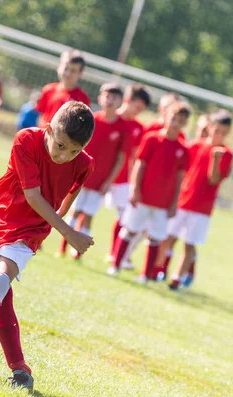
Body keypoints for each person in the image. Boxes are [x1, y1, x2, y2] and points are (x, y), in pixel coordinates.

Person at [0, 101, 95, 392]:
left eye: (74, 151)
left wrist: (49, 229)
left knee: (0, 279)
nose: (65, 156)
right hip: (1, 215)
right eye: (61, 145)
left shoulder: (85, 164)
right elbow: (33, 196)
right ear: (49, 129)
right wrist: (68, 233)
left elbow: (65, 201)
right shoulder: (26, 140)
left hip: (32, 229)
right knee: (2, 296)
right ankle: (19, 368)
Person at [109, 102, 191, 282]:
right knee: (130, 230)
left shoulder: (183, 149)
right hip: (143, 197)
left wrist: (174, 202)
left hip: (162, 203)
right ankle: (115, 265)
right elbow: (140, 164)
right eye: (173, 119)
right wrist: (135, 189)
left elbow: (179, 179)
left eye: (180, 121)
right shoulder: (152, 138)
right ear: (166, 117)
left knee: (155, 237)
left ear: (185, 124)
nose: (175, 123)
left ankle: (145, 275)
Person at [161, 110, 233, 290]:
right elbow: (181, 173)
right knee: (169, 238)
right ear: (210, 128)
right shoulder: (194, 146)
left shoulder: (227, 154)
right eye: (217, 131)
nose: (220, 136)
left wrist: (216, 159)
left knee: (190, 244)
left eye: (224, 133)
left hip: (202, 208)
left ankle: (177, 279)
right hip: (182, 200)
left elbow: (214, 179)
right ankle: (161, 270)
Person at [58, 83, 128, 259]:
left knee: (88, 214)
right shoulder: (91, 120)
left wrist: (109, 181)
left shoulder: (122, 127)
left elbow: (121, 158)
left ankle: (78, 253)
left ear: (121, 102)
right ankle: (62, 248)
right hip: (82, 176)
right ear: (100, 98)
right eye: (107, 96)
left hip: (101, 181)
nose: (110, 100)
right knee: (74, 210)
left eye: (114, 98)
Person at [105, 84, 151, 265]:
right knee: (83, 209)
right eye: (137, 107)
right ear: (127, 100)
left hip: (123, 179)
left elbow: (135, 157)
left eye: (142, 109)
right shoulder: (110, 119)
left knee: (124, 216)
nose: (138, 112)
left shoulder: (139, 128)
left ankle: (114, 253)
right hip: (99, 174)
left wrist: (133, 182)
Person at [36, 49, 90, 127]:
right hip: (44, 136)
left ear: (80, 73)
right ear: (59, 67)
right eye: (66, 68)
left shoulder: (83, 99)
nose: (68, 73)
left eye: (73, 70)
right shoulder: (48, 89)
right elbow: (41, 116)